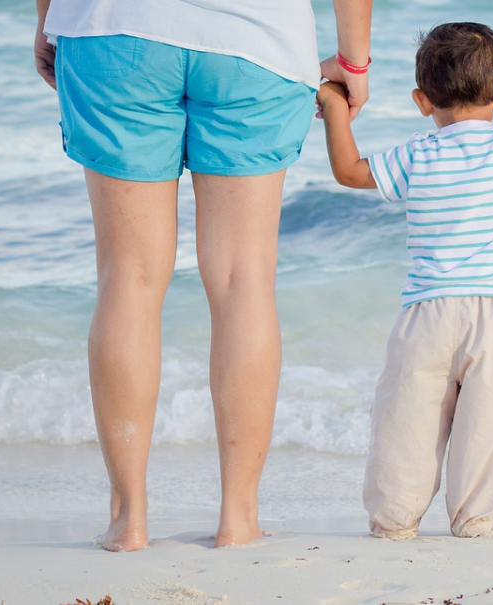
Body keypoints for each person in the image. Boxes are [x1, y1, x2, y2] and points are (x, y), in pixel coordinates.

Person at [33, 0, 372, 550]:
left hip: (114, 29)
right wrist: (354, 63)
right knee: (245, 280)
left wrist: (46, 19)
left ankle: (128, 521)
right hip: (258, 42)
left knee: (129, 277)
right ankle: (238, 519)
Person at [316, 21, 493, 539]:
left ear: (421, 101)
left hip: (428, 310)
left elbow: (349, 171)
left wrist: (334, 102)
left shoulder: (415, 155)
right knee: (489, 419)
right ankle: (474, 518)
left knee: (406, 417)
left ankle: (393, 519)